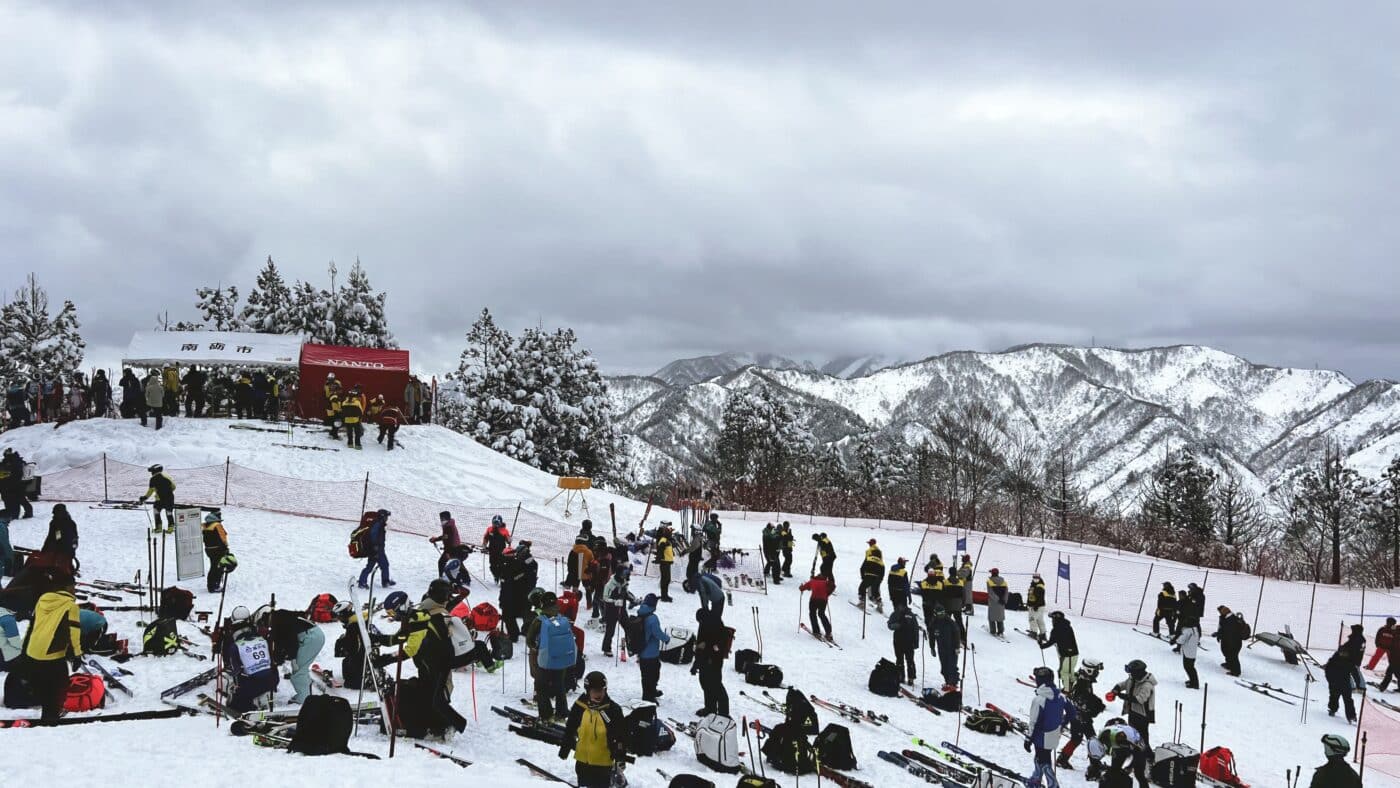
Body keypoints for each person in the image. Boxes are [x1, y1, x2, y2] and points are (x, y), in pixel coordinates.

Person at [386, 581, 468, 738]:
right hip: (432, 661)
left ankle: (443, 724)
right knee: (435, 693)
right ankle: (440, 724)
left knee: (433, 693)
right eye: (448, 595)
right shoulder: (435, 610)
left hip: (430, 661)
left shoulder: (428, 606)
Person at [18, 571, 82, 724]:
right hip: (51, 654)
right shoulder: (70, 606)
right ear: (67, 587)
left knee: (43, 683)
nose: (75, 589)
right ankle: (51, 716)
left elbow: (32, 626)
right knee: (59, 683)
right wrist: (77, 654)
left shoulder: (43, 599)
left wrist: (25, 651)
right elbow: (74, 631)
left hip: (33, 649)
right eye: (73, 586)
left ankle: (48, 711)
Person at [559, 670, 627, 788]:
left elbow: (620, 735)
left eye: (601, 690)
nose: (598, 694)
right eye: (595, 691)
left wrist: (620, 757)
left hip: (603, 764)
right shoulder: (580, 707)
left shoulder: (613, 710)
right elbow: (570, 728)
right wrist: (565, 748)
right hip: (582, 762)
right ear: (588, 691)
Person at [256, 604, 325, 705]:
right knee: (300, 668)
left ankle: (303, 700)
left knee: (298, 671)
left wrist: (289, 659)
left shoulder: (278, 623)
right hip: (314, 634)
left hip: (311, 638)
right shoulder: (279, 615)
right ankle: (305, 693)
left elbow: (289, 641)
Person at [220, 606, 279, 715]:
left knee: (235, 704)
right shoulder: (263, 639)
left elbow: (235, 671)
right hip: (274, 679)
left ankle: (253, 705)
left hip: (255, 684)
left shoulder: (235, 646)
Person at [529, 593, 576, 723]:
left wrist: (535, 648)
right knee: (559, 686)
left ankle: (546, 715)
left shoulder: (540, 620)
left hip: (545, 659)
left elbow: (529, 640)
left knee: (541, 687)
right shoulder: (562, 619)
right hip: (562, 659)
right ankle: (561, 713)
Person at [1057, 658, 1106, 775]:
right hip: (1081, 717)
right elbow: (1081, 700)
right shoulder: (1082, 683)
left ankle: (1063, 759)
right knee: (1092, 739)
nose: (1097, 673)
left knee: (1076, 738)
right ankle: (1094, 765)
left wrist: (1095, 702)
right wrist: (1096, 706)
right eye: (1096, 671)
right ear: (1089, 670)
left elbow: (1085, 697)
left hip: (1076, 715)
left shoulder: (1083, 679)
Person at [1026, 665, 1071, 788]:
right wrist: (1062, 724)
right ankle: (1036, 778)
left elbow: (1033, 722)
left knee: (1043, 760)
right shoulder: (1061, 696)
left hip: (1041, 736)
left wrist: (1028, 739)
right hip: (1054, 735)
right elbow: (1072, 712)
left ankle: (1053, 784)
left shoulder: (1039, 699)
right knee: (1042, 757)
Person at [1108, 659, 1156, 749]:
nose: (1130, 675)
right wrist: (1116, 689)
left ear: (1138, 673)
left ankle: (1147, 755)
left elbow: (1140, 699)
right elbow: (1124, 684)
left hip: (1143, 715)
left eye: (1132, 673)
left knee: (1142, 737)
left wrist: (1122, 696)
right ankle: (1134, 751)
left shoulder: (1147, 685)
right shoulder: (1133, 679)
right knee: (1132, 734)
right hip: (1132, 711)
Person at [693, 606, 731, 717]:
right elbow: (701, 645)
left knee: (716, 685)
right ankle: (710, 708)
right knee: (705, 683)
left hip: (714, 661)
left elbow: (717, 645)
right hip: (705, 660)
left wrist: (707, 646)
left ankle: (724, 712)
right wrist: (696, 664)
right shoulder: (704, 623)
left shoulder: (716, 624)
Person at [1093, 718, 1150, 788]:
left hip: (1137, 751)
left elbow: (1137, 754)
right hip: (1130, 749)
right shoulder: (1121, 735)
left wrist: (1129, 766)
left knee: (1138, 775)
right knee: (1115, 773)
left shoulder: (1127, 737)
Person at [500, 541, 538, 642]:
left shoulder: (526, 563)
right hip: (522, 592)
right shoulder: (521, 563)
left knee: (519, 613)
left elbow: (512, 582)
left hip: (521, 593)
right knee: (523, 612)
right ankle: (525, 631)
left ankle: (521, 633)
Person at [635, 593, 669, 703]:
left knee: (646, 674)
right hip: (651, 653)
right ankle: (648, 696)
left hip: (642, 651)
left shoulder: (641, 613)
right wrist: (666, 638)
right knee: (652, 674)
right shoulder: (652, 618)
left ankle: (650, 691)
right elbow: (657, 633)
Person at [601, 564, 635, 657]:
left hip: (622, 609)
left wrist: (632, 599)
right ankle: (606, 648)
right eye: (624, 574)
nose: (625, 576)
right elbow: (605, 597)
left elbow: (626, 593)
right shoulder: (610, 584)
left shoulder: (624, 582)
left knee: (628, 627)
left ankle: (631, 648)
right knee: (610, 630)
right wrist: (614, 602)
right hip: (611, 610)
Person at [1041, 611, 1080, 688]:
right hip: (1074, 653)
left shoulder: (1056, 629)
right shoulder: (1067, 626)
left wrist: (1042, 645)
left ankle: (1067, 690)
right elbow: (1056, 640)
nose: (1052, 621)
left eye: (1053, 619)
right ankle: (1073, 687)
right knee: (1070, 671)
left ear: (1056, 619)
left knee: (1064, 672)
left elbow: (1051, 641)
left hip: (1067, 655)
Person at [356, 508, 395, 589]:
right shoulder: (378, 524)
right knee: (374, 566)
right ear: (383, 516)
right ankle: (363, 582)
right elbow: (373, 535)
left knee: (381, 565)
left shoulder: (380, 523)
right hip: (376, 550)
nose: (387, 518)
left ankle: (384, 581)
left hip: (377, 549)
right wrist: (375, 547)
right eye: (386, 517)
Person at [888, 604, 921, 685]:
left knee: (909, 661)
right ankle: (901, 676)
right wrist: (898, 626)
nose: (900, 607)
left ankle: (911, 678)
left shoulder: (910, 615)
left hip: (908, 642)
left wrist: (916, 643)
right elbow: (890, 625)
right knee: (900, 660)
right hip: (898, 641)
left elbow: (915, 629)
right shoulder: (895, 614)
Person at [202, 511, 235, 593]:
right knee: (218, 568)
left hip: (209, 550)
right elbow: (223, 537)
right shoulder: (217, 525)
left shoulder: (206, 526)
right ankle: (214, 586)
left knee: (213, 567)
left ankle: (210, 585)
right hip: (218, 550)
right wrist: (226, 547)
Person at [1325, 646, 1358, 723]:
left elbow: (1355, 672)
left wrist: (1358, 683)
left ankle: (1351, 716)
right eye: (1342, 652)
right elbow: (1327, 671)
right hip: (1334, 683)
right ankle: (1332, 709)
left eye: (1345, 653)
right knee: (1334, 697)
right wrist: (1330, 680)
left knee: (1348, 700)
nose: (1343, 654)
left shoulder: (1350, 661)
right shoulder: (1333, 660)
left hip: (1345, 684)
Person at [138, 464, 176, 530]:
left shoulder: (152, 479)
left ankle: (158, 527)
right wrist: (168, 492)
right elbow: (174, 487)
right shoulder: (167, 476)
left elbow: (150, 490)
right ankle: (171, 528)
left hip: (159, 499)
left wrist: (145, 497)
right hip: (169, 498)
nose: (151, 473)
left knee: (156, 511)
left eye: (152, 471)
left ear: (155, 471)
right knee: (169, 512)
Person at [929, 607, 961, 687]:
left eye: (942, 613)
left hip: (952, 649)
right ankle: (948, 682)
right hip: (941, 648)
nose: (941, 615)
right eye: (939, 614)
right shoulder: (934, 623)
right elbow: (931, 636)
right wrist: (932, 647)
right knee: (944, 668)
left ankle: (953, 684)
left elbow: (957, 634)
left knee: (952, 667)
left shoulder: (950, 622)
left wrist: (957, 647)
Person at [1213, 606, 1248, 678]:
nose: (1220, 613)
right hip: (1228, 641)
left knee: (1233, 656)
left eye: (1220, 612)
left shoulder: (1231, 620)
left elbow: (1227, 631)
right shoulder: (1226, 617)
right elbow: (1223, 629)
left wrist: (1218, 634)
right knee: (1226, 653)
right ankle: (1229, 665)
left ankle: (1236, 672)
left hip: (1234, 642)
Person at [1175, 599, 1202, 690]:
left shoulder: (1188, 630)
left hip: (1188, 652)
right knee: (1191, 668)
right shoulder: (1195, 630)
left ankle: (1194, 683)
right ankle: (1192, 681)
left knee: (1189, 668)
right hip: (1192, 652)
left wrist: (1175, 641)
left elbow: (1181, 640)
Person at [800, 572, 835, 642]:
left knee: (812, 613)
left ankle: (816, 631)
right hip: (823, 600)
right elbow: (833, 586)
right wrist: (827, 594)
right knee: (821, 614)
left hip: (814, 600)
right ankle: (828, 633)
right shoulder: (826, 582)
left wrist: (801, 587)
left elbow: (803, 588)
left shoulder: (812, 581)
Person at [1, 448, 33, 519]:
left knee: (14, 499)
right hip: (16, 485)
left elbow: (15, 473)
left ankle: (14, 514)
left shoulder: (11, 462)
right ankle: (19, 513)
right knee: (19, 499)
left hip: (12, 485)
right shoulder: (17, 461)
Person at [857, 539, 885, 613]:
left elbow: (863, 566)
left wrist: (863, 576)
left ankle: (862, 603)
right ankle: (879, 604)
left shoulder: (869, 552)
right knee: (875, 590)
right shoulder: (880, 553)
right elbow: (883, 568)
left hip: (869, 574)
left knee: (862, 587)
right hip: (878, 575)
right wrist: (881, 578)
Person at [430, 511, 461, 575]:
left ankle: (441, 577)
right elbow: (446, 536)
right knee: (457, 562)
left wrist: (435, 539)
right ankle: (465, 579)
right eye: (441, 519)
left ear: (447, 518)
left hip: (452, 547)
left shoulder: (448, 526)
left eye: (442, 519)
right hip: (455, 546)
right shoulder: (449, 523)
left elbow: (447, 538)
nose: (441, 520)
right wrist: (436, 539)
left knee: (441, 562)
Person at [482, 514, 512, 582]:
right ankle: (496, 575)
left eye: (497, 523)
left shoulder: (504, 530)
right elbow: (486, 538)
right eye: (494, 523)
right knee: (492, 566)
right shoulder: (489, 529)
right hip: (492, 550)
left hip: (501, 551)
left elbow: (508, 540)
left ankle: (502, 578)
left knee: (501, 565)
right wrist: (484, 545)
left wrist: (509, 539)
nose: (495, 525)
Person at [654, 524, 675, 602]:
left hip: (667, 562)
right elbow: (660, 551)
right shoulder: (663, 540)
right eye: (670, 533)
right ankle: (664, 596)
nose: (671, 535)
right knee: (665, 579)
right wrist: (659, 559)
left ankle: (665, 595)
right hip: (664, 562)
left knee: (667, 579)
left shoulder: (667, 540)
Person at [340, 384, 366, 449]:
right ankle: (357, 445)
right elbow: (360, 412)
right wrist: (360, 418)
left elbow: (342, 412)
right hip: (356, 420)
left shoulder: (344, 402)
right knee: (357, 433)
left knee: (349, 432)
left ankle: (350, 444)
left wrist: (344, 419)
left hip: (347, 420)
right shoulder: (357, 402)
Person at [1343, 624, 1367, 691]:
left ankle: (1358, 686)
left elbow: (1354, 650)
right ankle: (1357, 686)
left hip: (1353, 659)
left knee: (1351, 672)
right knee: (1353, 672)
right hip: (1353, 659)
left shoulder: (1358, 639)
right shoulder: (1357, 638)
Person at [986, 568, 1008, 636]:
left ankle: (993, 630)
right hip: (1002, 602)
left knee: (992, 617)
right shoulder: (1004, 582)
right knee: (1000, 617)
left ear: (992, 573)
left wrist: (997, 600)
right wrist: (1004, 600)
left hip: (993, 602)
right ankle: (1001, 631)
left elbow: (991, 593)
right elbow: (1006, 592)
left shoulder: (989, 581)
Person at [1026, 573, 1047, 637]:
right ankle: (1043, 633)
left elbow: (1040, 597)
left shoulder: (1039, 586)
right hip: (1037, 605)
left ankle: (1034, 632)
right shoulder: (1033, 585)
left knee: (1032, 618)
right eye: (1034, 578)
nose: (1035, 579)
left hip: (1037, 606)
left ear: (1039, 578)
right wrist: (1028, 603)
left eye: (1037, 578)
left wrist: (1036, 605)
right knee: (1040, 619)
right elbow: (1030, 595)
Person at [323, 374, 342, 439]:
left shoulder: (337, 383)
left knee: (335, 420)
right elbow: (326, 393)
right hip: (331, 404)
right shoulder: (326, 384)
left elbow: (340, 391)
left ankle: (332, 432)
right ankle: (334, 434)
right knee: (335, 420)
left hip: (332, 403)